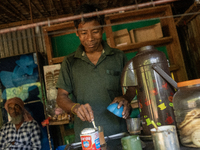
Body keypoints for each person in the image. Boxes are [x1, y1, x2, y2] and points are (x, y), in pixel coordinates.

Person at [56, 3, 136, 145]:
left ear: (103, 29)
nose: (90, 38)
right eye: (84, 33)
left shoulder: (118, 56)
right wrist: (75, 107)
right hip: (87, 137)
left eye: (95, 31)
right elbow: (61, 97)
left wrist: (125, 98)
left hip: (118, 133)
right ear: (76, 32)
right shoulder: (69, 62)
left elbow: (132, 87)